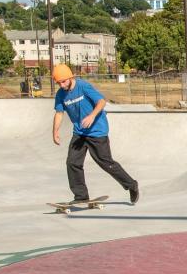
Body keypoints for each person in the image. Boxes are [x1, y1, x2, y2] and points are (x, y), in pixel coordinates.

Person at [51, 64, 140, 204]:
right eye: (59, 83)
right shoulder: (60, 94)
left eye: (63, 81)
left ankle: (131, 185)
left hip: (97, 131)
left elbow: (101, 101)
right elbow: (59, 113)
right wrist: (55, 131)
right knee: (72, 163)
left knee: (105, 163)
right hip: (79, 133)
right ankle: (81, 196)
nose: (62, 85)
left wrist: (92, 116)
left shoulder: (83, 86)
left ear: (70, 77)